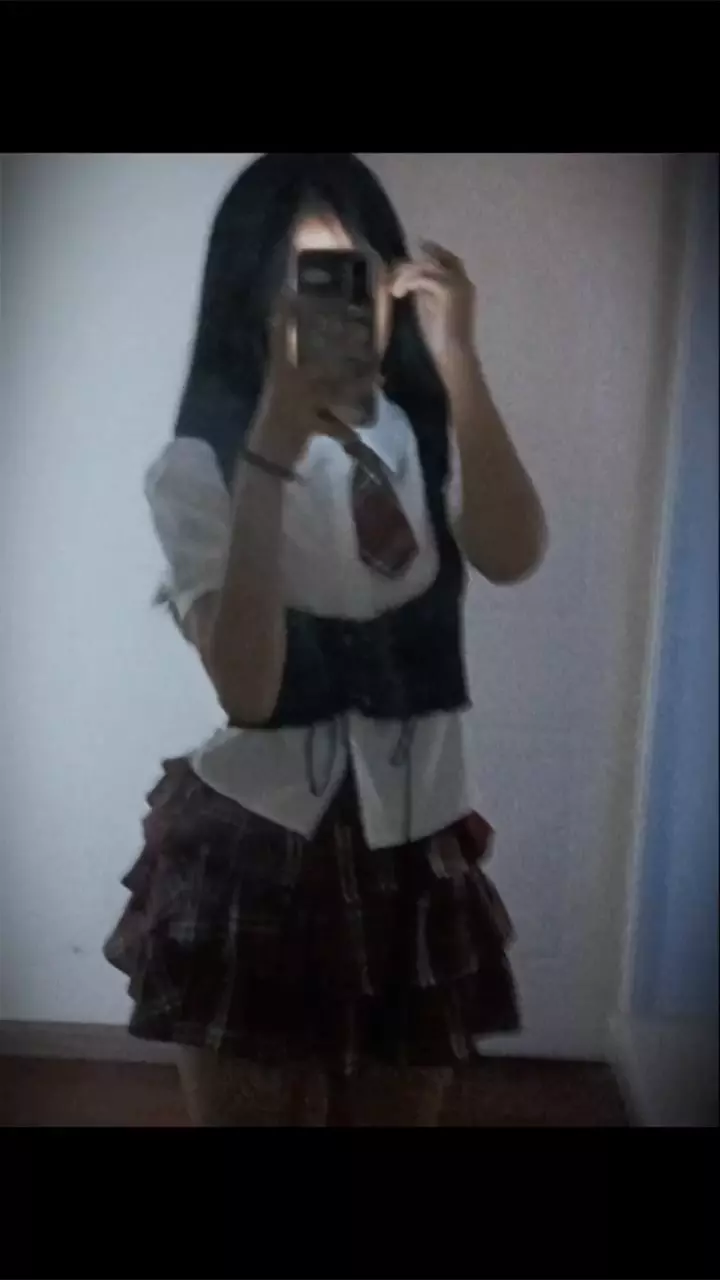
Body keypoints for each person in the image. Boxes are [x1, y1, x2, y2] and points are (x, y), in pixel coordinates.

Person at [104, 152, 546, 1127]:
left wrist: (460, 360)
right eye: (300, 279)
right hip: (258, 851)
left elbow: (514, 553)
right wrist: (270, 451)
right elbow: (248, 690)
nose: (332, 309)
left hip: (417, 849)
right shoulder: (195, 469)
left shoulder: (422, 437)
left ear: (392, 282)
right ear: (252, 300)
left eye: (352, 272)